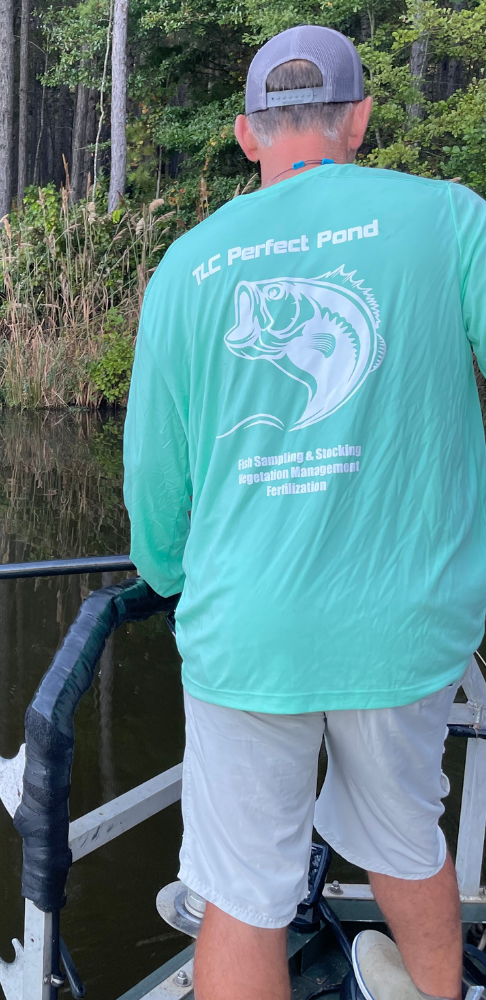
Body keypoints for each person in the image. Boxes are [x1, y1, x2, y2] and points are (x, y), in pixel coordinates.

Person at [123, 24, 486, 1000]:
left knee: (243, 894)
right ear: (359, 120)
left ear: (247, 134)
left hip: (247, 625)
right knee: (407, 838)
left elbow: (156, 480)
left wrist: (164, 573)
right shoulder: (453, 219)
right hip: (405, 621)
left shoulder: (187, 267)